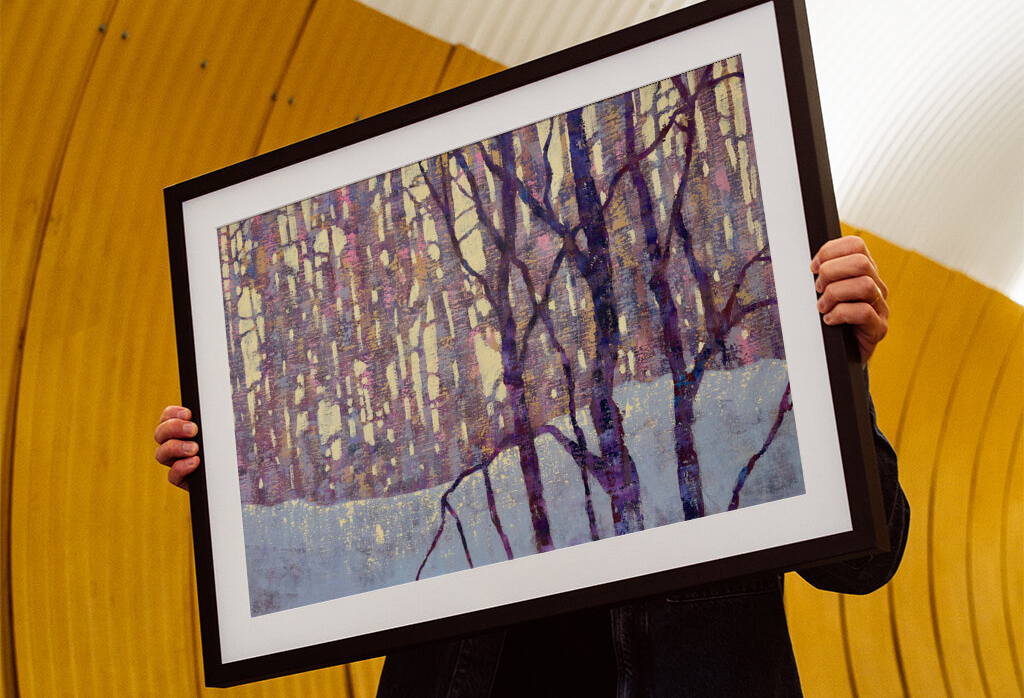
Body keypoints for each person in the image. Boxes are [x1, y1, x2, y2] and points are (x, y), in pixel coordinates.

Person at [154, 236, 909, 697]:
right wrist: (234, 474)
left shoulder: (722, 409)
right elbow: (346, 543)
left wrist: (835, 374)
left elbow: (866, 560)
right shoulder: (461, 460)